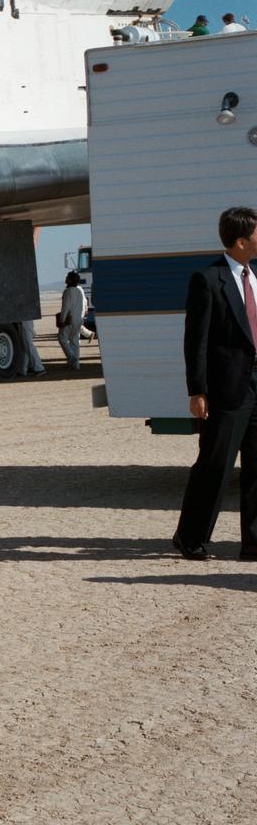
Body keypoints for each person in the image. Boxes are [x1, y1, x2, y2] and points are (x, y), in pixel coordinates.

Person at [172, 207, 257, 560]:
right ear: (241, 241)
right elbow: (196, 341)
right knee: (215, 467)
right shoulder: (208, 279)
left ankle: (253, 543)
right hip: (226, 391)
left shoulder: (256, 276)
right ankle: (190, 538)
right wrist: (197, 390)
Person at [58, 271, 87, 371]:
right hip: (78, 319)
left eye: (67, 277)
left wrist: (62, 320)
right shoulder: (79, 291)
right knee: (74, 341)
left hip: (69, 319)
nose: (66, 278)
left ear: (70, 280)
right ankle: (76, 365)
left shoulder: (68, 292)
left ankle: (72, 358)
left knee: (62, 338)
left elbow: (65, 308)